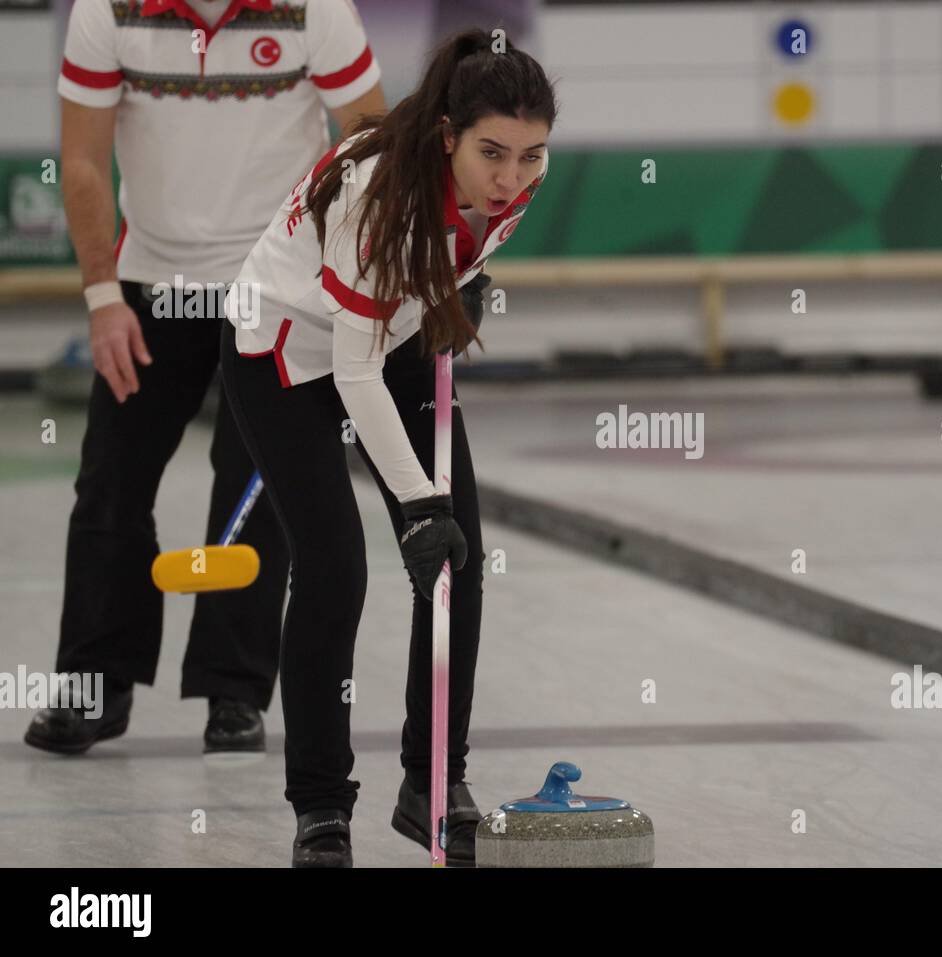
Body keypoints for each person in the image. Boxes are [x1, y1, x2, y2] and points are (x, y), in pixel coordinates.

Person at [220, 27, 557, 866]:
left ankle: (431, 779)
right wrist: (416, 503)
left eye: (531, 155)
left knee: (458, 558)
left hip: (392, 337)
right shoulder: (380, 194)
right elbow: (352, 373)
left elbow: (451, 261)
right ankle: (321, 805)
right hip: (286, 354)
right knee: (336, 564)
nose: (512, 177)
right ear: (448, 137)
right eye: (492, 154)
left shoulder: (514, 179)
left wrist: (464, 285)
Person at [27, 0, 385, 756]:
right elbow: (84, 158)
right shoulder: (106, 10)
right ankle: (96, 683)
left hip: (276, 282)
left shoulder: (314, 8)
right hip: (150, 283)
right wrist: (100, 297)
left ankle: (234, 691)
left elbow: (368, 140)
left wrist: (345, 271)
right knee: (111, 478)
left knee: (255, 483)